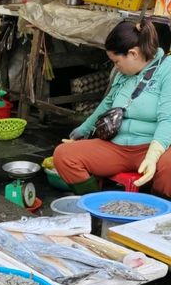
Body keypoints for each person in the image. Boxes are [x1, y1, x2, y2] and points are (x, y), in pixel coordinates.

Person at [54, 20, 171, 197]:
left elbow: (167, 119)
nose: (116, 67)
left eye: (116, 61)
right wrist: (81, 132)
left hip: (153, 146)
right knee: (64, 155)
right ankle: (96, 203)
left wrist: (153, 156)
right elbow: (106, 105)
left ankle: (157, 211)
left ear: (133, 54)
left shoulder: (167, 69)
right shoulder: (123, 74)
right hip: (116, 147)